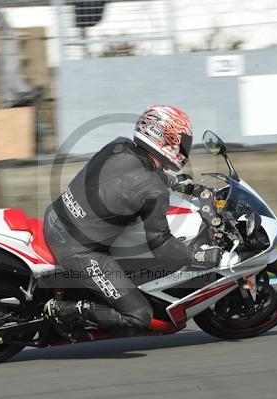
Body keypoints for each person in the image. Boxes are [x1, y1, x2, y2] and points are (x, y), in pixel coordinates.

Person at [43, 105, 223, 339]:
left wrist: (177, 184)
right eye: (182, 142)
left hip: (55, 218)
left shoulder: (118, 147)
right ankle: (62, 310)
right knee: (139, 316)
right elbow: (159, 242)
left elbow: (129, 177)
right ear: (165, 138)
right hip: (77, 249)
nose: (184, 148)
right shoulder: (154, 190)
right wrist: (196, 256)